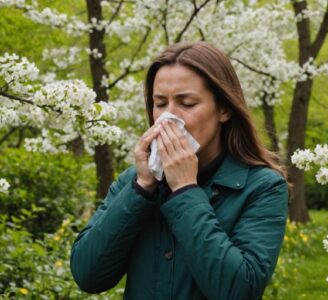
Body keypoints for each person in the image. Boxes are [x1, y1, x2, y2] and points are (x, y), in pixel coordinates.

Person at [70, 41, 289, 300]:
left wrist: (185, 189)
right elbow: (87, 275)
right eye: (160, 103)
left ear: (224, 109)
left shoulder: (263, 187)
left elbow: (239, 291)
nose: (168, 118)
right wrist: (141, 189)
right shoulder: (134, 181)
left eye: (186, 103)